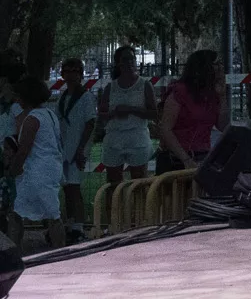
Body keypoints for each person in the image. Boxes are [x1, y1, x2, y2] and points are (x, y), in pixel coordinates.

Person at [6, 77, 66, 250]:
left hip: (37, 171)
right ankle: (58, 248)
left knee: (25, 214)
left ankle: (14, 250)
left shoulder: (32, 119)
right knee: (48, 212)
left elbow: (23, 150)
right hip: (50, 168)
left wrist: (14, 169)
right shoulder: (49, 115)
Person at [156, 51, 228, 173]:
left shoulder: (212, 93)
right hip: (177, 158)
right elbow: (166, 129)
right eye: (216, 64)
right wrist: (186, 159)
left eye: (221, 64)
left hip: (202, 155)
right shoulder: (180, 91)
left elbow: (223, 125)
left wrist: (222, 97)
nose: (221, 68)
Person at [96, 45, 156, 184]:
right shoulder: (110, 88)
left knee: (139, 182)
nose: (129, 62)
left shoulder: (145, 85)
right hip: (114, 138)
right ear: (118, 63)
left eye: (132, 59)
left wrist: (131, 110)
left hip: (137, 137)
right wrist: (113, 113)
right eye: (125, 59)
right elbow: (102, 115)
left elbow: (154, 113)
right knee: (113, 183)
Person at [54, 56, 97, 234]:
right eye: (67, 71)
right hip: (63, 148)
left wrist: (81, 149)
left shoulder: (85, 97)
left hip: (77, 148)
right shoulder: (63, 97)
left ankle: (79, 226)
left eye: (75, 71)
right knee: (67, 188)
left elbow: (90, 123)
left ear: (81, 74)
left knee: (75, 188)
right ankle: (70, 223)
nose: (71, 75)